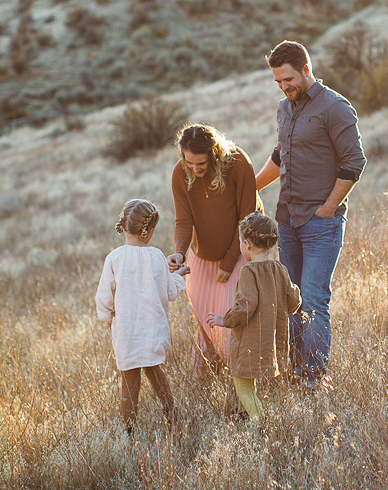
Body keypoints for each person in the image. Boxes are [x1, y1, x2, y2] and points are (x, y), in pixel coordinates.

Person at [255, 40, 366, 392]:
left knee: (314, 298)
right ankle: (296, 370)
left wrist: (327, 209)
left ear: (306, 69)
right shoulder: (283, 109)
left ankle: (315, 379)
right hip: (286, 220)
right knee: (292, 298)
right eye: (277, 82)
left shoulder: (336, 108)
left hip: (320, 223)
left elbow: (354, 163)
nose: (284, 87)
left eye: (288, 79)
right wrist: (250, 187)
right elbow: (280, 154)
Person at [167, 124, 260, 379]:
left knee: (232, 319)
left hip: (238, 251)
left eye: (201, 164)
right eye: (189, 162)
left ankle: (245, 377)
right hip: (201, 257)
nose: (195, 169)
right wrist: (179, 253)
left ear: (215, 155)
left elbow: (247, 218)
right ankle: (211, 377)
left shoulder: (239, 163)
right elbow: (183, 222)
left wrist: (230, 261)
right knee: (207, 320)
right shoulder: (180, 173)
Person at [95, 198, 190, 433]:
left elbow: (104, 298)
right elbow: (169, 291)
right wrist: (180, 275)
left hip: (126, 331)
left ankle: (129, 433)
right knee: (156, 373)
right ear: (149, 232)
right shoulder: (157, 256)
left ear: (125, 227)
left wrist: (108, 319)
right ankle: (173, 420)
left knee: (128, 384)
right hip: (152, 329)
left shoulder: (114, 258)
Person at [206, 212, 301, 422]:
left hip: (248, 340)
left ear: (247, 244)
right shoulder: (280, 269)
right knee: (250, 381)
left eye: (240, 241)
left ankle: (262, 422)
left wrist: (225, 319)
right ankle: (244, 417)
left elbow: (246, 306)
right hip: (269, 342)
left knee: (243, 386)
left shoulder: (249, 271)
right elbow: (294, 303)